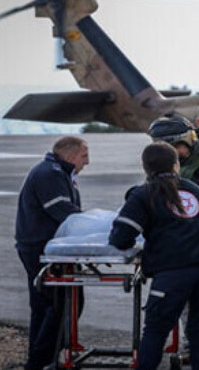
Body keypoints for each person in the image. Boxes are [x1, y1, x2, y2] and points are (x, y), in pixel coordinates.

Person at [108, 142, 199, 370]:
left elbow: (121, 237)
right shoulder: (193, 189)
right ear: (176, 164)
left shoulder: (143, 194)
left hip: (174, 272)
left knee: (156, 330)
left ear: (145, 168)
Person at [15, 136, 89, 370]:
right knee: (61, 303)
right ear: (70, 156)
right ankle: (41, 360)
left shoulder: (57, 172)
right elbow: (64, 213)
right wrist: (94, 229)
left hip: (44, 245)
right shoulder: (51, 174)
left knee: (45, 304)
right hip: (41, 247)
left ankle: (39, 359)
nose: (88, 162)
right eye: (84, 156)